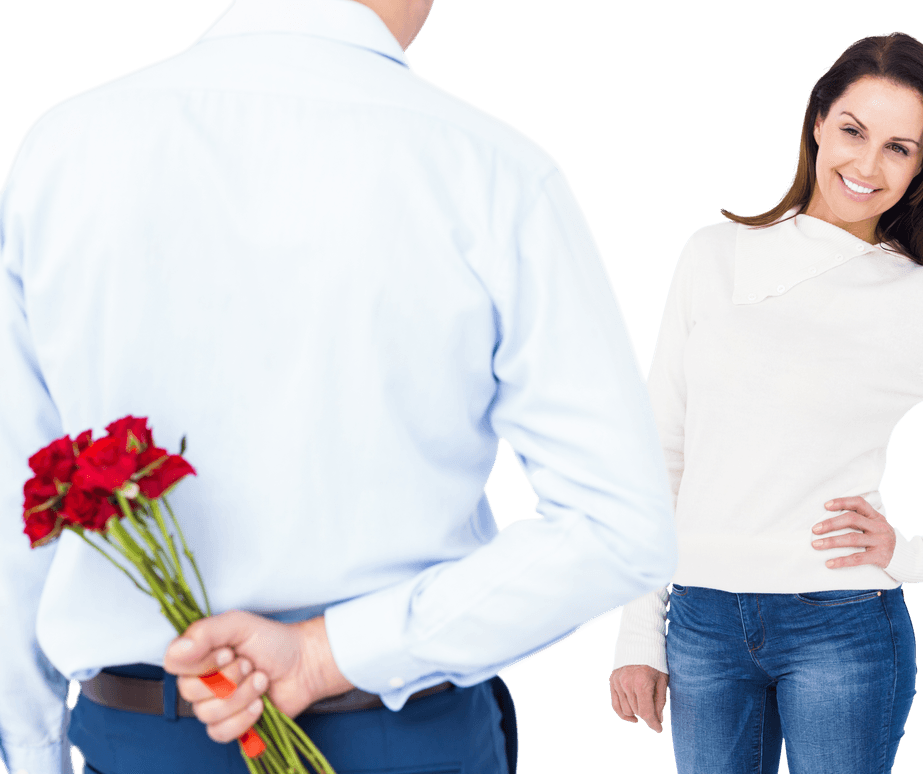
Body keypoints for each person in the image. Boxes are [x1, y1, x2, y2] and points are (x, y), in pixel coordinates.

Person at [0, 0, 680, 772]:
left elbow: (16, 498)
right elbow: (620, 526)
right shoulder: (488, 166)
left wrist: (28, 756)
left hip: (136, 737)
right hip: (400, 734)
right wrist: (327, 656)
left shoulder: (61, 149)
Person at [608, 31, 923, 774]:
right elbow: (659, 446)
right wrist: (639, 634)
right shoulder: (713, 254)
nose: (865, 165)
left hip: (839, 624)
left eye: (899, 147)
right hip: (698, 620)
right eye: (854, 131)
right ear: (818, 120)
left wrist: (921, 554)